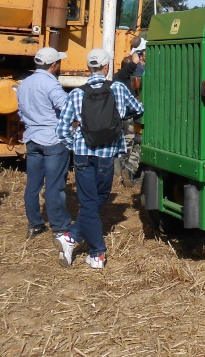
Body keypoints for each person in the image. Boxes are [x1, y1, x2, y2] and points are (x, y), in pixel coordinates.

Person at [53, 48, 144, 269]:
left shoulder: (76, 93)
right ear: (106, 67)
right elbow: (139, 109)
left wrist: (75, 145)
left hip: (84, 154)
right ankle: (98, 253)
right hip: (106, 155)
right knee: (98, 199)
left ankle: (71, 236)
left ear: (88, 67)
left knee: (90, 202)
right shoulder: (119, 89)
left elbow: (62, 130)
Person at [17, 47, 72, 239]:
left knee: (33, 184)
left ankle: (34, 224)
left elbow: (20, 112)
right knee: (54, 185)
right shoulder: (51, 85)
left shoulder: (24, 83)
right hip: (52, 139)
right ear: (54, 65)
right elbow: (66, 107)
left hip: (32, 138)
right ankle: (59, 226)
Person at [116, 40, 146, 186]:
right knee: (138, 144)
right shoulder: (132, 80)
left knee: (124, 147)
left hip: (116, 119)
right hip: (129, 118)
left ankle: (121, 175)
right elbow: (136, 105)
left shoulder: (115, 80)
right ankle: (129, 171)